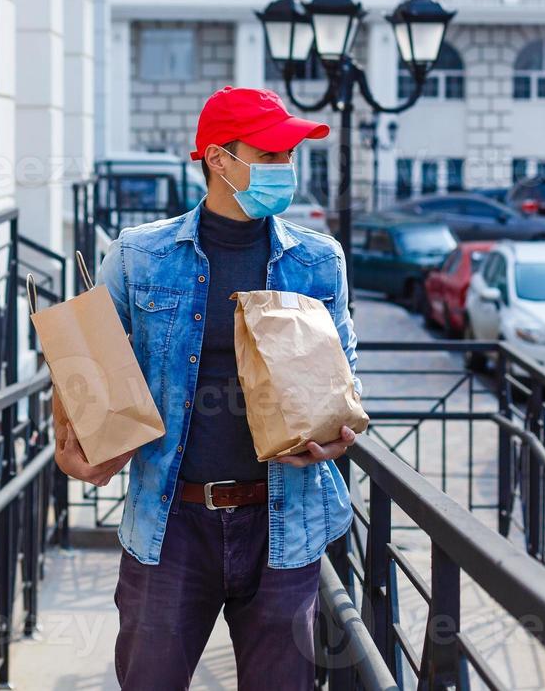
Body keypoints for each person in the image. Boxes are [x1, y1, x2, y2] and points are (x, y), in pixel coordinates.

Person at [52, 85, 363, 689]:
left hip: (285, 522)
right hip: (171, 523)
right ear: (218, 158)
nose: (285, 170)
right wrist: (72, 444)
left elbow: (346, 379)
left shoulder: (319, 262)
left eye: (289, 157)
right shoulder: (139, 256)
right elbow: (83, 368)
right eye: (270, 156)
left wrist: (337, 436)